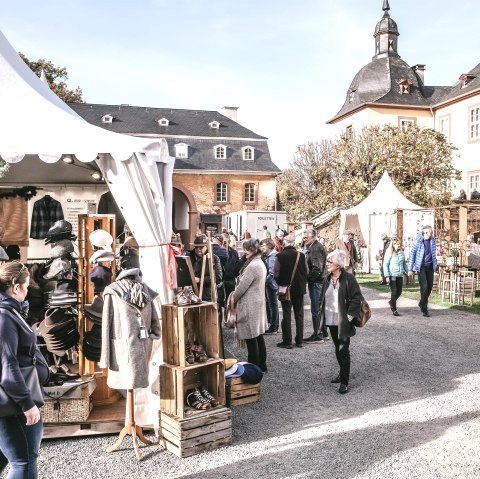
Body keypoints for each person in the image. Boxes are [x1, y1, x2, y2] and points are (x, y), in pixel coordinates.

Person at [0, 261, 50, 478]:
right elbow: (7, 364)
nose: (28, 291)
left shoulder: (10, 312)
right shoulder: (4, 317)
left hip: (13, 401)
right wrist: (27, 404)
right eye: (27, 286)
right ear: (16, 286)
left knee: (11, 457)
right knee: (24, 461)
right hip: (13, 404)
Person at [319, 250, 362, 394]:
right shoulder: (327, 279)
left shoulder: (349, 278)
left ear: (338, 264)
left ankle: (344, 381)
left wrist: (349, 317)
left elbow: (357, 298)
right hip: (331, 319)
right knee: (337, 347)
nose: (327, 264)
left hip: (344, 320)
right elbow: (323, 298)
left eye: (330, 262)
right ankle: (341, 372)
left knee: (343, 350)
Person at [233, 239, 268, 372]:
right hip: (257, 303)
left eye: (246, 249)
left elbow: (242, 287)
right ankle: (262, 365)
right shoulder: (259, 262)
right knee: (258, 335)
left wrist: (232, 299)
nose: (244, 252)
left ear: (253, 250)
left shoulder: (253, 266)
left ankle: (254, 368)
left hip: (250, 305)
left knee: (251, 338)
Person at [274, 235, 308, 349]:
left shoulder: (280, 255)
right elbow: (306, 271)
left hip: (285, 289)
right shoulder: (301, 255)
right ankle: (299, 341)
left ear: (285, 243)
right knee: (299, 315)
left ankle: (287, 341)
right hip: (299, 289)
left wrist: (281, 283)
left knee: (286, 314)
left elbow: (276, 274)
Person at [302, 229, 329, 344]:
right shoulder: (315, 247)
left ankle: (317, 335)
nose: (304, 239)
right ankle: (323, 332)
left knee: (316, 309)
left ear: (313, 237)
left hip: (318, 282)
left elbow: (317, 268)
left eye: (306, 237)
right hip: (321, 281)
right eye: (303, 237)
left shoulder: (315, 248)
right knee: (321, 308)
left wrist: (308, 279)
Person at [408, 226, 438, 317]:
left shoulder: (432, 240)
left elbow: (433, 253)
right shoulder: (418, 241)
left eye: (431, 232)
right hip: (421, 267)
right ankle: (424, 309)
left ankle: (421, 302)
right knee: (424, 287)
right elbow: (412, 254)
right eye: (430, 232)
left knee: (429, 287)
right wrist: (410, 269)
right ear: (425, 233)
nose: (431, 234)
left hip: (430, 267)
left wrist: (435, 265)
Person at [187, 235, 222, 302]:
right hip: (190, 296)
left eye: (201, 247)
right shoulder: (189, 257)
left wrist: (200, 280)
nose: (198, 249)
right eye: (196, 247)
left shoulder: (214, 259)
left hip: (207, 297)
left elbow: (218, 278)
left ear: (206, 247)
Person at [383, 239, 408, 316]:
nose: (398, 245)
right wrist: (387, 276)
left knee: (399, 292)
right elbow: (385, 265)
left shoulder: (401, 253)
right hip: (392, 275)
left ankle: (391, 302)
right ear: (393, 245)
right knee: (394, 291)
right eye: (397, 244)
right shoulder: (389, 253)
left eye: (399, 244)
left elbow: (404, 263)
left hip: (400, 275)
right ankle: (394, 309)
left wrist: (407, 271)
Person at [261, 239, 279, 334]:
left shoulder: (272, 256)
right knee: (272, 304)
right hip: (270, 284)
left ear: (269, 246)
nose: (262, 247)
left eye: (263, 245)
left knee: (273, 305)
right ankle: (274, 325)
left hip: (271, 284)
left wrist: (263, 282)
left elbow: (271, 273)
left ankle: (274, 327)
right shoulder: (268, 256)